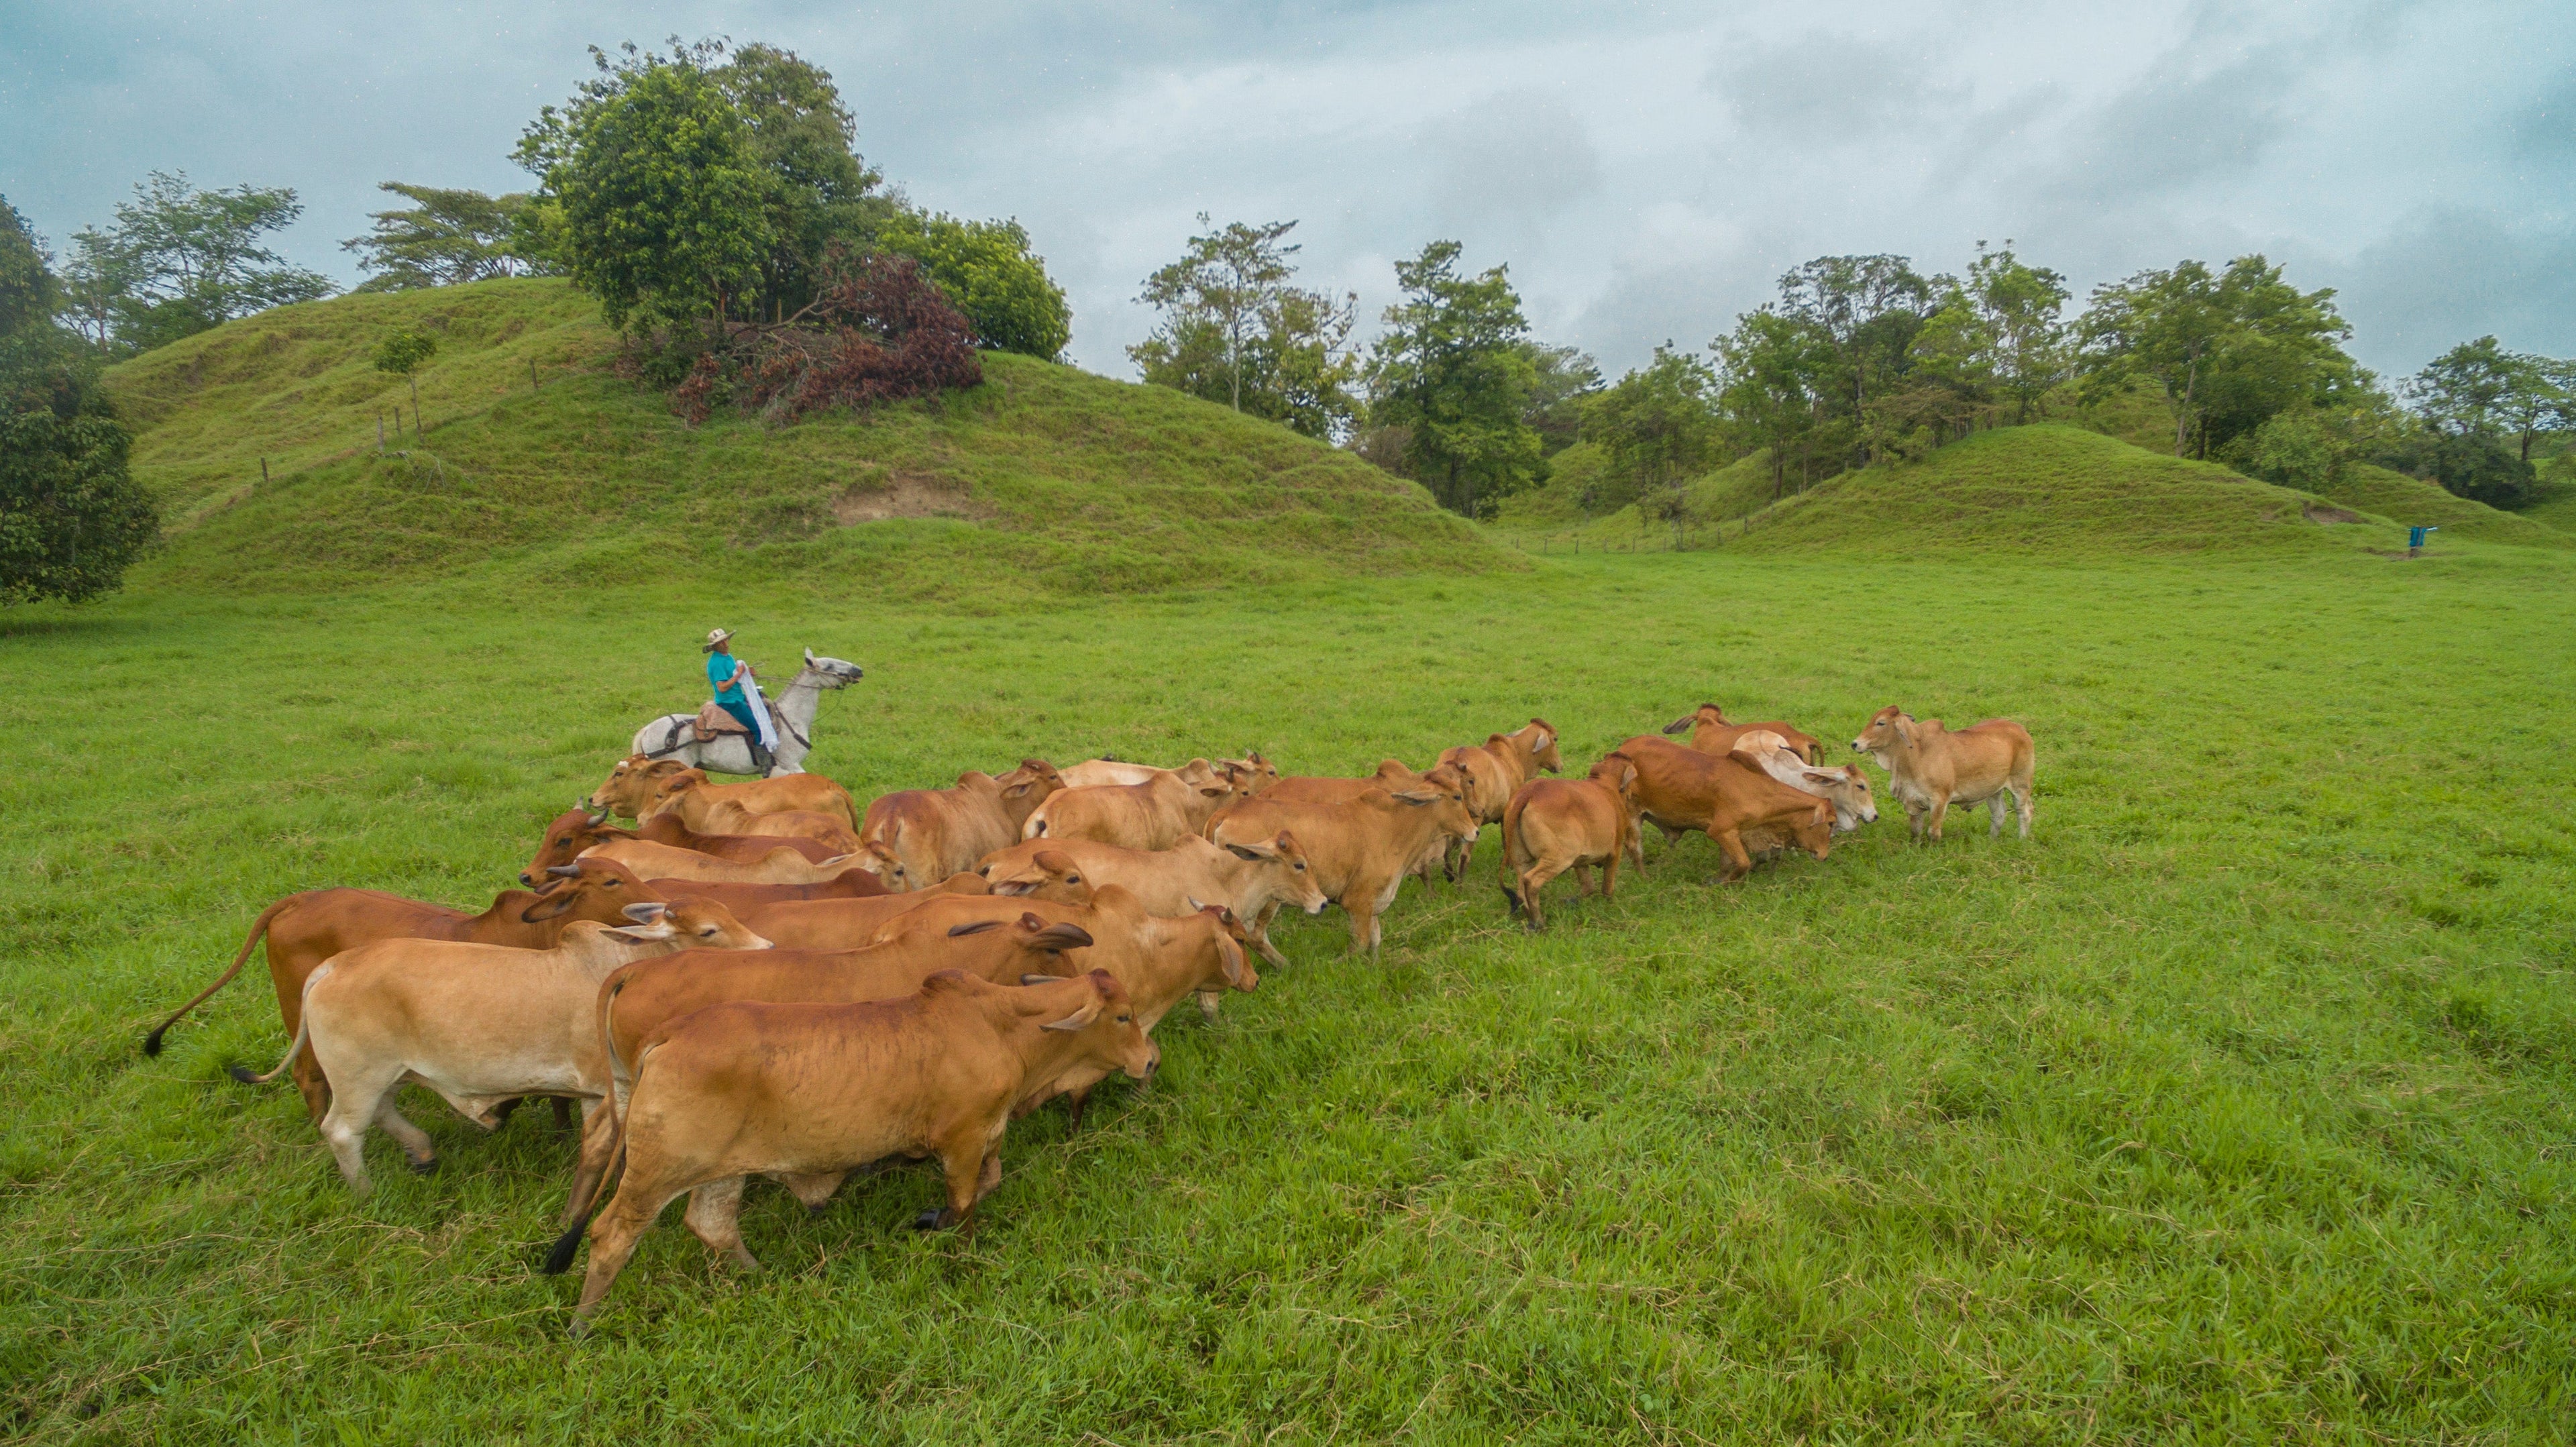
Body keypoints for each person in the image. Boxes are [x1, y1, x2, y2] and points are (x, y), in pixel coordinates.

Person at [702, 629, 761, 737]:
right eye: (721, 642)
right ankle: (760, 752)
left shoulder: (728, 657)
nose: (725, 644)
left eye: (726, 640)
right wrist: (739, 674)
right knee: (757, 728)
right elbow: (722, 688)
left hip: (738, 697)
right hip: (729, 702)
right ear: (714, 646)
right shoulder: (716, 663)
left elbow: (733, 675)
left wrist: (747, 673)